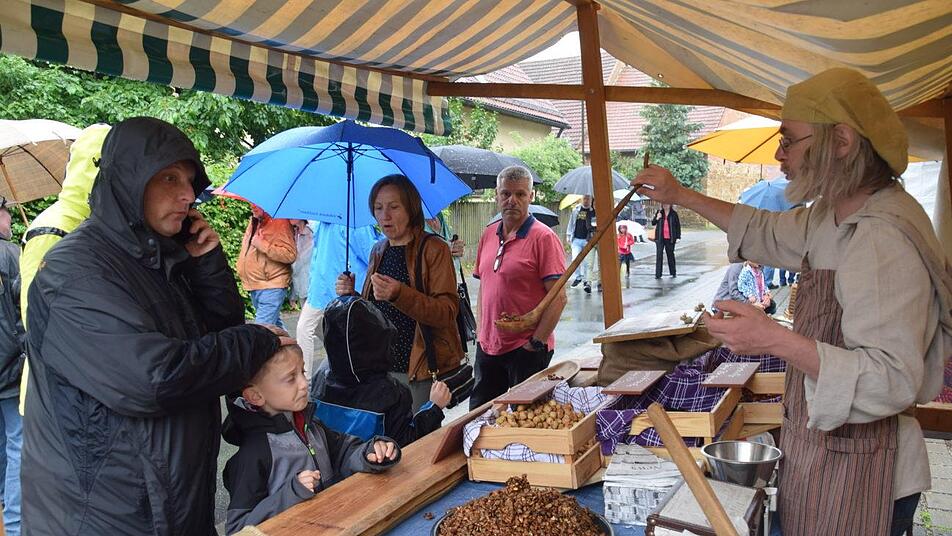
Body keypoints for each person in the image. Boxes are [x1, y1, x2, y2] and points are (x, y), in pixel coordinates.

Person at [633, 68, 952, 536]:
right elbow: (765, 230)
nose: (779, 154)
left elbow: (890, 378)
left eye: (789, 140)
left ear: (840, 141)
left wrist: (772, 339)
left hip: (870, 470)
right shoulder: (832, 213)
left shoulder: (882, 237)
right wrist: (680, 195)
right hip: (827, 455)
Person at [21, 117, 281, 535]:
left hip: (171, 502)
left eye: (190, 180)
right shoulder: (75, 272)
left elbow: (218, 333)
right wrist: (255, 341)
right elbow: (156, 379)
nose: (187, 194)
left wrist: (207, 265)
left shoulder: (160, 258)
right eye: (169, 177)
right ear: (130, 180)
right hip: (108, 515)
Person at [222, 332, 400, 535]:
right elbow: (238, 528)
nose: (304, 383)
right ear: (255, 396)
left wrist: (370, 453)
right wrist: (291, 493)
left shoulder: (310, 424)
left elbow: (343, 452)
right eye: (291, 378)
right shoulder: (253, 454)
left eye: (303, 372)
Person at [335, 174, 462, 411]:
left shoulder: (434, 249)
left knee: (419, 430)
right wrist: (351, 295)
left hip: (418, 367)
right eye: (378, 208)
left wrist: (399, 294)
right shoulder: (378, 250)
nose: (385, 215)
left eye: (394, 207)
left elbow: (446, 312)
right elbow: (375, 311)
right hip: (380, 366)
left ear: (411, 208)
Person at [18, 123, 111, 415]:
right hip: (55, 394)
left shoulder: (101, 226)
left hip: (86, 388)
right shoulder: (51, 229)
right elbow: (35, 316)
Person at [470, 166, 567, 410]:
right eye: (506, 193)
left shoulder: (544, 238)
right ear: (496, 195)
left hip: (525, 349)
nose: (512, 200)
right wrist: (482, 334)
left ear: (531, 196)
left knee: (523, 418)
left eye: (520, 194)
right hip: (488, 348)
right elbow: (484, 287)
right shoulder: (488, 234)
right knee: (479, 417)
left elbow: (558, 298)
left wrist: (536, 343)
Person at [310, 296, 450, 446]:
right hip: (374, 460)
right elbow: (405, 442)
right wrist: (433, 408)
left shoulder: (320, 379)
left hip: (330, 460)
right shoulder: (390, 394)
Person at [296, 222, 381, 380]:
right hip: (323, 290)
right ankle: (307, 378)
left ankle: (307, 379)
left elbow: (372, 254)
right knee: (309, 329)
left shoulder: (353, 225)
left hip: (341, 291)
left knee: (308, 329)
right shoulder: (323, 224)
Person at [0, 199, 24, 536]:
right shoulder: (11, 255)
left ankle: (6, 509)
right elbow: (28, 310)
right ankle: (17, 525)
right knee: (19, 443)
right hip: (12, 371)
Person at [237, 204, 297, 328]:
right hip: (255, 285)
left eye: (257, 204)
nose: (252, 206)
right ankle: (288, 341)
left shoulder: (280, 222)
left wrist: (262, 244)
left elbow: (290, 255)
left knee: (261, 329)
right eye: (251, 202)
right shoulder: (255, 221)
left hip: (271, 285)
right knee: (275, 328)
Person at [566, 195, 596, 293]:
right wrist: (568, 235)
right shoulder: (576, 210)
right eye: (584, 198)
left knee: (587, 262)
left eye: (588, 199)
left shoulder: (593, 211)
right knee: (575, 259)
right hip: (576, 239)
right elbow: (571, 223)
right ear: (582, 199)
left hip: (588, 240)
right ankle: (578, 277)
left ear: (591, 200)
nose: (586, 200)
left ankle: (586, 281)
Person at [288, 219, 313, 309]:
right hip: (301, 288)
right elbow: (295, 268)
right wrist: (293, 294)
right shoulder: (294, 234)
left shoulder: (313, 232)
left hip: (315, 289)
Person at [651, 203, 680, 278]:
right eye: (663, 204)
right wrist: (657, 218)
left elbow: (677, 226)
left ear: (670, 205)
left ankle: (673, 272)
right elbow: (653, 223)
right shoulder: (659, 212)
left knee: (670, 255)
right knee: (659, 255)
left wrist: (678, 237)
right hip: (660, 238)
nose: (665, 205)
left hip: (670, 238)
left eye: (667, 204)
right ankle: (658, 274)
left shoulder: (674, 214)